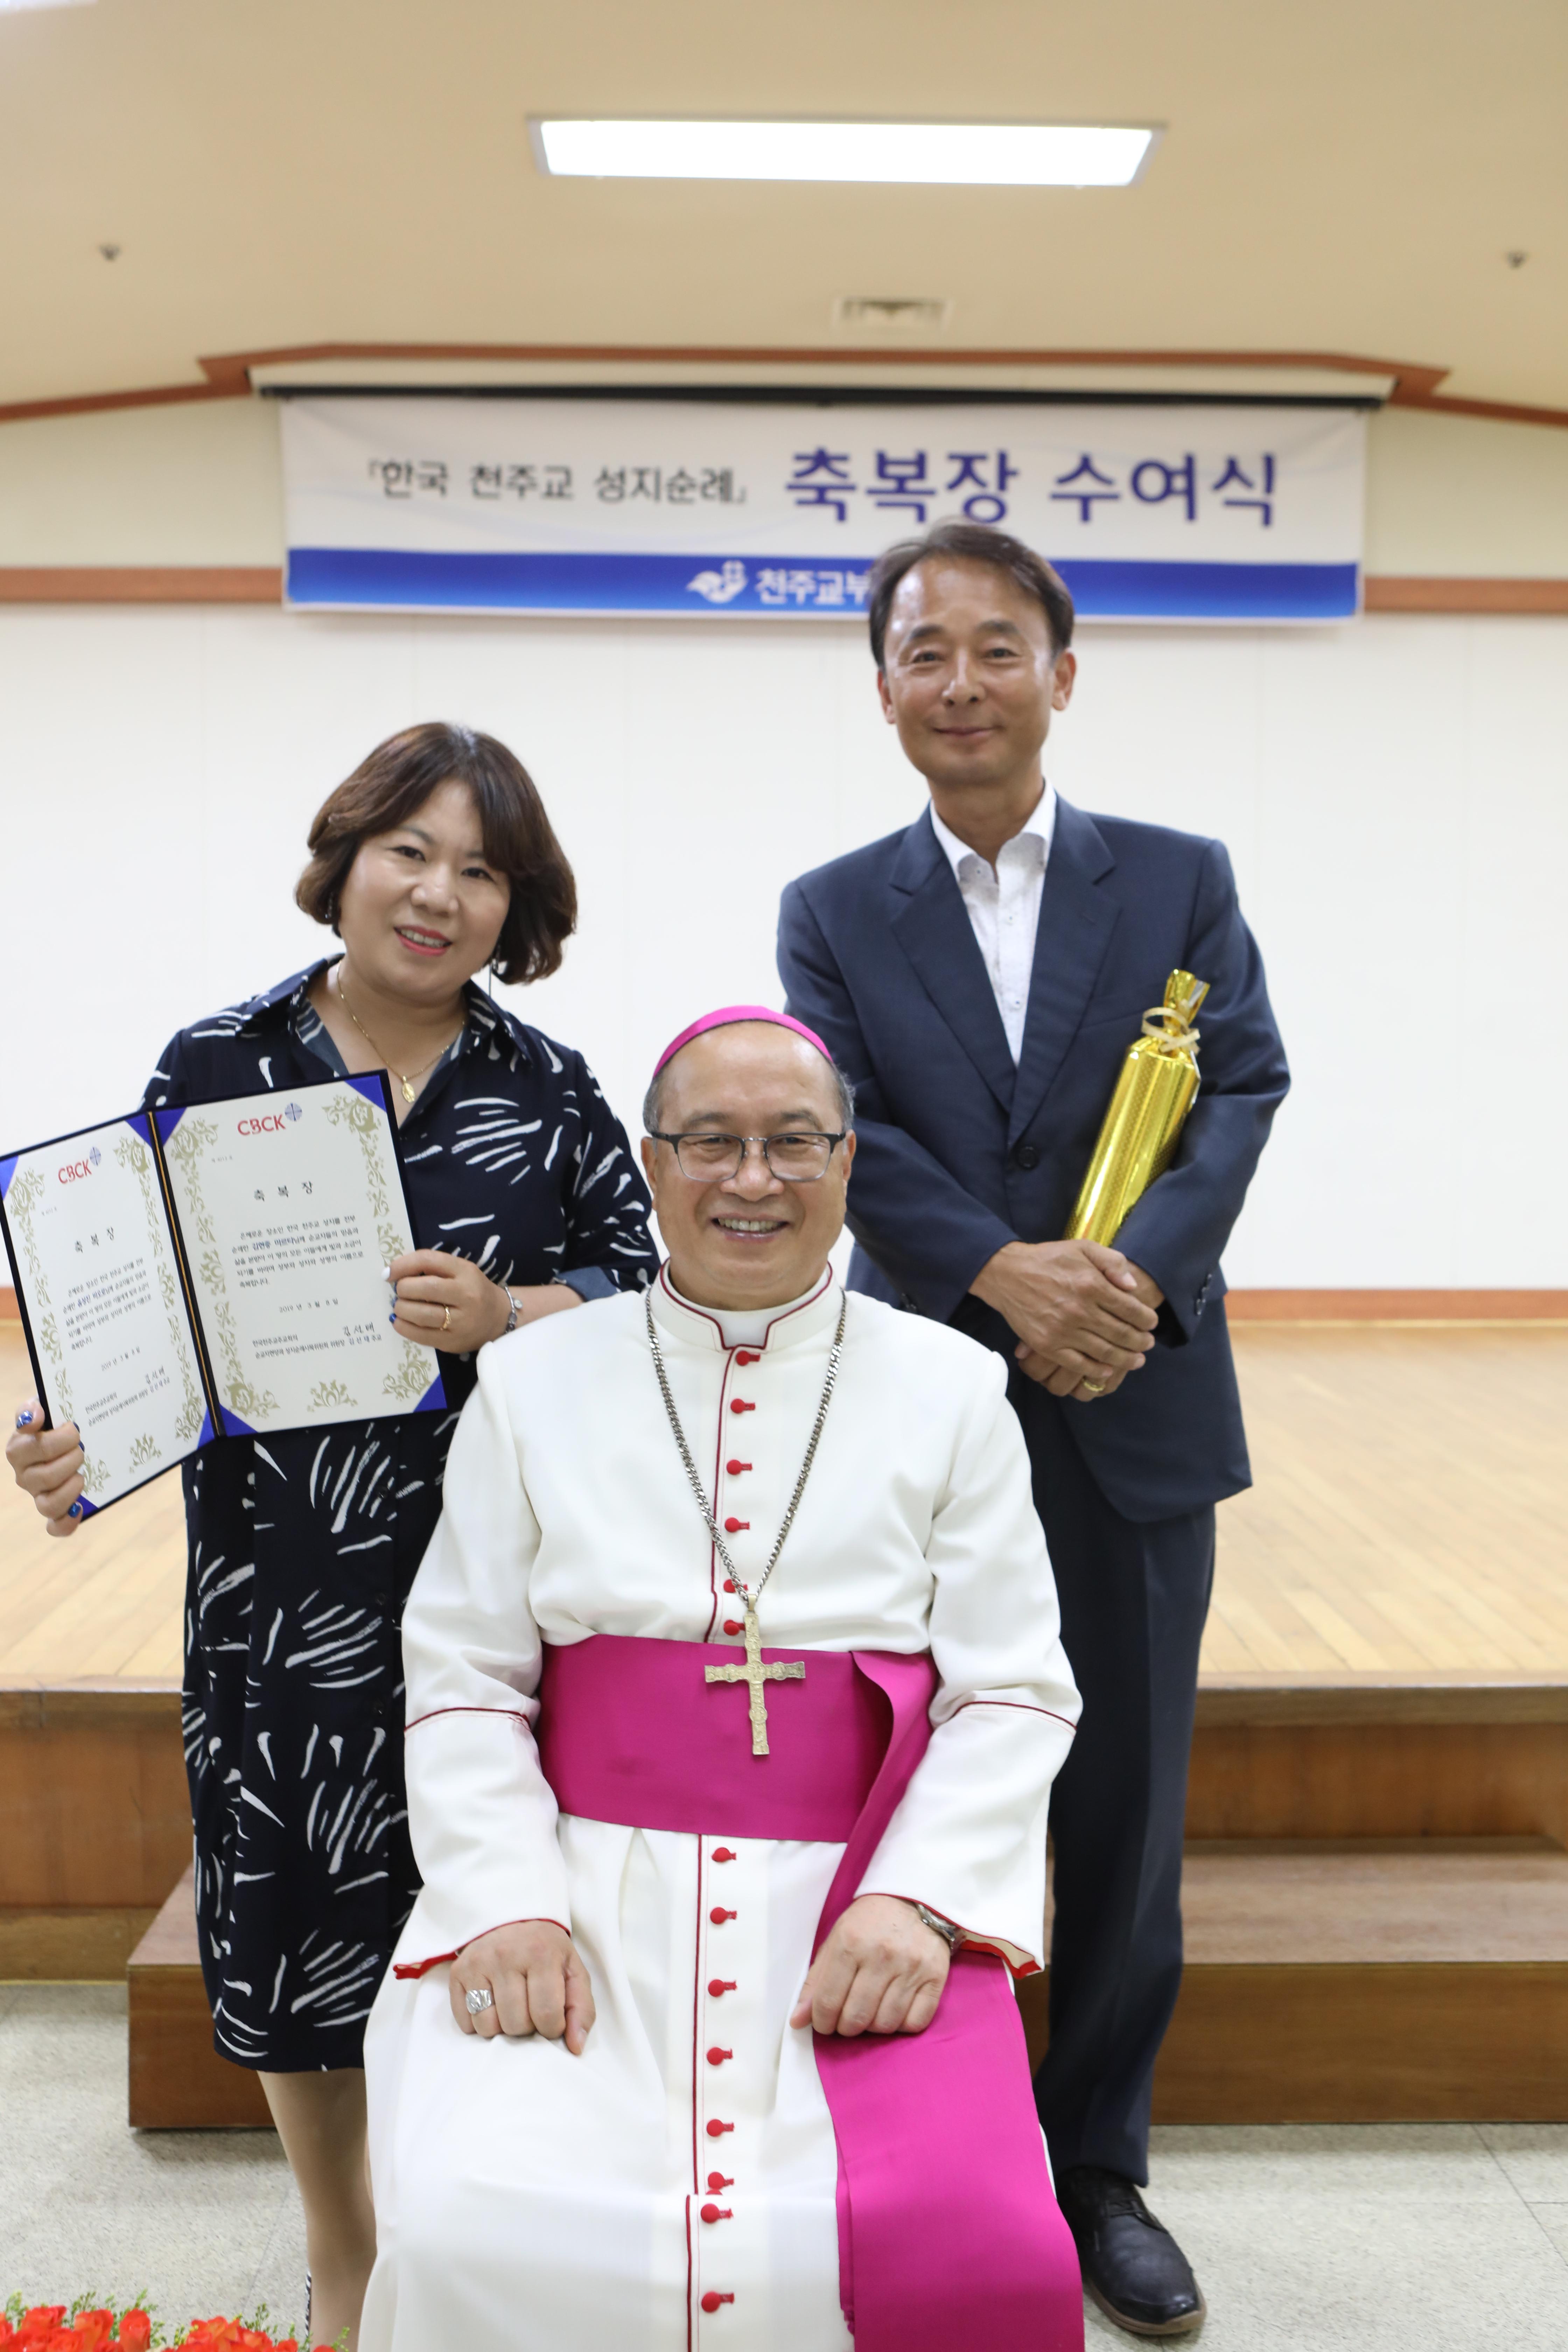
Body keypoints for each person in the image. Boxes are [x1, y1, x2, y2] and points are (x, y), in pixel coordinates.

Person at [6, 722, 657, 2352]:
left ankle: (472, 2219)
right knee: (297, 1909)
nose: (437, 895)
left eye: (480, 871)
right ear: (346, 860)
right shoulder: (217, 1062)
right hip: (281, 1579)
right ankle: (343, 2242)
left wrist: (509, 1312)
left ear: (518, 907)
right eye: (408, 853)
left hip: (501, 1575)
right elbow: (136, 1312)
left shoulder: (548, 1087)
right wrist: (74, 1441)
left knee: (488, 1892)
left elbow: (644, 1291)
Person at [358, 1007, 1086, 2352]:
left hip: (853, 1899)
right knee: (476, 2225)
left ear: (847, 1162)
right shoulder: (529, 1379)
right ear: (653, 1162)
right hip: (582, 1892)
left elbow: (1013, 1691)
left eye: (794, 1143)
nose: (754, 1179)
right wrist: (507, 1902)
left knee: (975, 2239)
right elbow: (464, 1675)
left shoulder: (954, 1387)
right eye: (711, 1142)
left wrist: (918, 1903)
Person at [776, 521, 1290, 2338]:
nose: (962, 682)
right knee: (912, 1776)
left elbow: (1241, 1084)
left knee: (1125, 1808)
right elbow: (843, 1125)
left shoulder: (1179, 878)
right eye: (925, 651)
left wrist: (1116, 1286)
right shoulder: (833, 908)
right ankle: (936, 2137)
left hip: (1136, 1391)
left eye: (998, 647)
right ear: (884, 690)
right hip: (920, 1405)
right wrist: (1006, 1274)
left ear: (1062, 674)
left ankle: (1099, 2170)